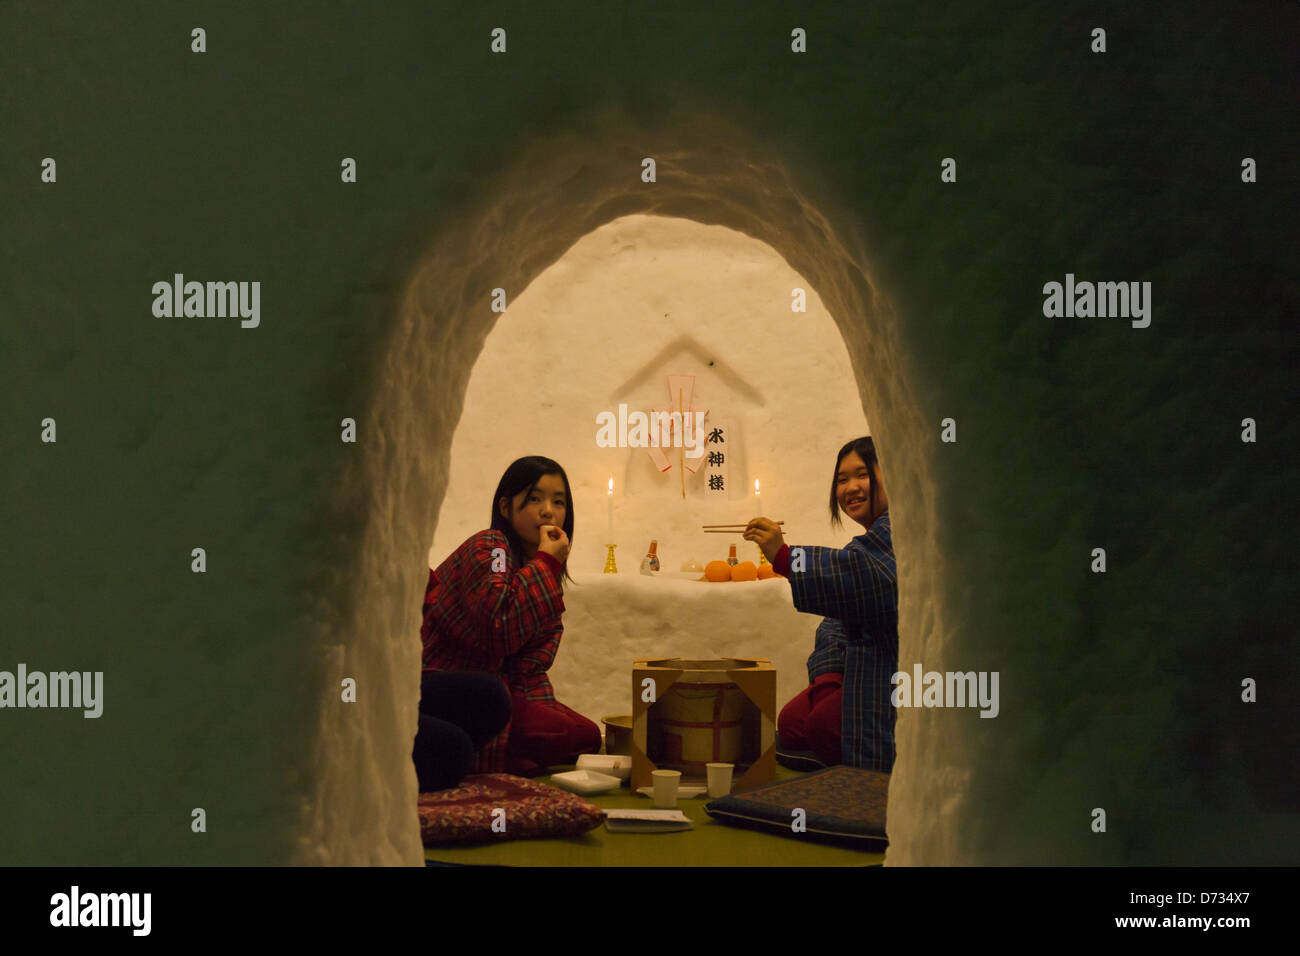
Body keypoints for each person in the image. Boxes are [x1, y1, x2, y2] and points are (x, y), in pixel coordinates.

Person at [415, 455, 601, 783]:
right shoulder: (492, 548)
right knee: (494, 699)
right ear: (505, 507)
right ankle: (502, 749)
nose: (548, 511)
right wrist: (546, 562)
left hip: (500, 691)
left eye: (558, 502)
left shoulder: (538, 569)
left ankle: (508, 748)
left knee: (585, 735)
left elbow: (529, 669)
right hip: (445, 680)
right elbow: (498, 630)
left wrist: (543, 717)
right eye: (534, 499)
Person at [744, 436, 898, 773]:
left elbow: (872, 578)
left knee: (823, 725)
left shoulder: (901, 529)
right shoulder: (870, 539)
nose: (851, 488)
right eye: (841, 480)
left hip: (895, 674)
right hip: (855, 669)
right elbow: (834, 621)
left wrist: (784, 556)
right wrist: (828, 677)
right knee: (792, 722)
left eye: (862, 474)